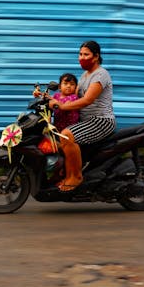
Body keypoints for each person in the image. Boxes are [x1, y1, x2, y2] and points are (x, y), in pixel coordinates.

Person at [49, 41, 116, 191]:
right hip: (86, 121)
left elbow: (87, 100)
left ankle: (76, 177)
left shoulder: (100, 75)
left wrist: (63, 106)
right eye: (80, 54)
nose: (82, 57)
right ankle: (65, 173)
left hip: (101, 121)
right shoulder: (85, 75)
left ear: (96, 57)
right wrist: (46, 98)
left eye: (86, 54)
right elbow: (70, 94)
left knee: (66, 135)